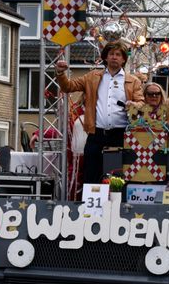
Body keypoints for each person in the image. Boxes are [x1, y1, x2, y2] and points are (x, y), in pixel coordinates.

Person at [55, 40, 144, 187]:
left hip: (121, 134)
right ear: (105, 57)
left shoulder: (132, 81)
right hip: (96, 133)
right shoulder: (92, 77)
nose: (114, 57)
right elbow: (68, 87)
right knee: (91, 175)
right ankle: (92, 201)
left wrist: (134, 105)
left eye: (118, 54)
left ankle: (117, 201)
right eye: (111, 54)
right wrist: (60, 73)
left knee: (118, 176)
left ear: (123, 59)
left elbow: (141, 103)